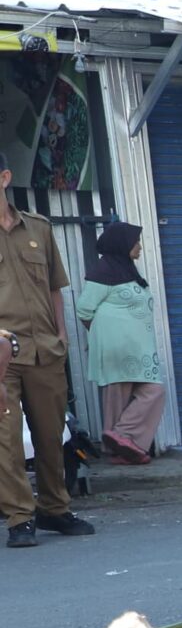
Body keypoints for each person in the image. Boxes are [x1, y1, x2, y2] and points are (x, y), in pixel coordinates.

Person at [0, 161, 93, 548]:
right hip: (2, 355)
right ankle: (20, 516)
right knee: (5, 439)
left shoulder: (38, 228)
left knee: (52, 435)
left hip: (45, 350)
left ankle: (55, 508)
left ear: (5, 177)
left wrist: (62, 335)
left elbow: (56, 286)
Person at [78, 223, 164, 466]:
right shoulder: (104, 271)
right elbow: (84, 308)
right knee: (119, 395)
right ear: (122, 244)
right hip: (117, 345)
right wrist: (102, 335)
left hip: (137, 347)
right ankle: (119, 449)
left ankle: (121, 438)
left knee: (153, 391)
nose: (139, 246)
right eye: (135, 242)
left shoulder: (127, 269)